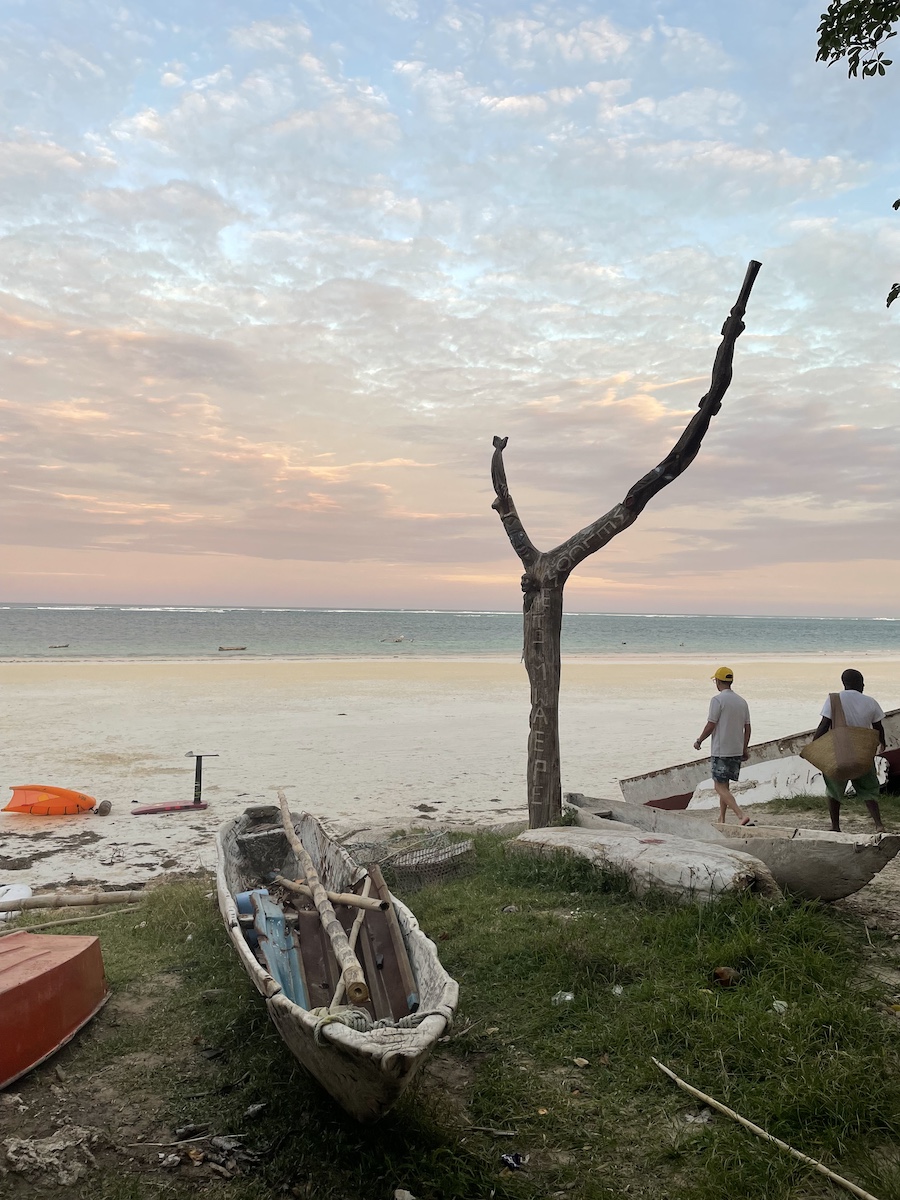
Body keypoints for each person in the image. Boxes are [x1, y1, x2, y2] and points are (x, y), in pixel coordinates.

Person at [810, 669, 886, 833]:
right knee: (869, 790)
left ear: (844, 683)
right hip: (863, 753)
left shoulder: (834, 699)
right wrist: (883, 743)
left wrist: (813, 745)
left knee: (833, 790)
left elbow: (824, 724)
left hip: (839, 752)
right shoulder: (870, 701)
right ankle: (878, 824)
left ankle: (835, 826)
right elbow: (878, 727)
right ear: (861, 684)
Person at [693, 666, 753, 825]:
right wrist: (744, 748)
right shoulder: (742, 702)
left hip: (721, 750)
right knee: (725, 786)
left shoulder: (717, 700)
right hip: (736, 749)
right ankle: (722, 818)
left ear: (718, 681)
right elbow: (747, 728)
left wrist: (699, 740)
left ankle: (741, 816)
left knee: (719, 787)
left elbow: (711, 724)